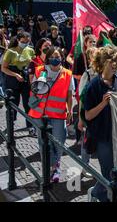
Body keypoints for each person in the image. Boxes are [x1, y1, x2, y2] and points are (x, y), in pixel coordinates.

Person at [83, 46, 117, 202]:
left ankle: (96, 193)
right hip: (102, 137)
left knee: (116, 173)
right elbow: (88, 115)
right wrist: (102, 103)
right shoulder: (93, 86)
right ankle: (100, 196)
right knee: (109, 173)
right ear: (110, 63)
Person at [28, 46, 74, 182]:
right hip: (40, 113)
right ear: (48, 58)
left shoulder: (67, 74)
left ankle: (55, 164)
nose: (55, 59)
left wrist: (70, 110)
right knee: (43, 143)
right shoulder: (40, 70)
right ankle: (51, 169)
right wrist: (40, 83)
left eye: (58, 57)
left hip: (58, 113)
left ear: (61, 58)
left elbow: (69, 95)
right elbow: (33, 90)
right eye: (52, 57)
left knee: (59, 141)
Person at [1, 32, 35, 135]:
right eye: (23, 41)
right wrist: (15, 75)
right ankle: (11, 124)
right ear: (18, 40)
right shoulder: (10, 52)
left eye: (27, 41)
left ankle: (30, 126)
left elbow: (33, 65)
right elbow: (3, 68)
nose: (25, 43)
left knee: (28, 104)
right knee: (13, 103)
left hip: (25, 79)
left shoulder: (30, 50)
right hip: (12, 80)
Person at [77, 47, 98, 178]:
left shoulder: (104, 73)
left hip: (100, 114)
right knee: (87, 140)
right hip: (89, 113)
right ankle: (85, 166)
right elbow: (81, 98)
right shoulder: (87, 74)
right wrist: (80, 118)